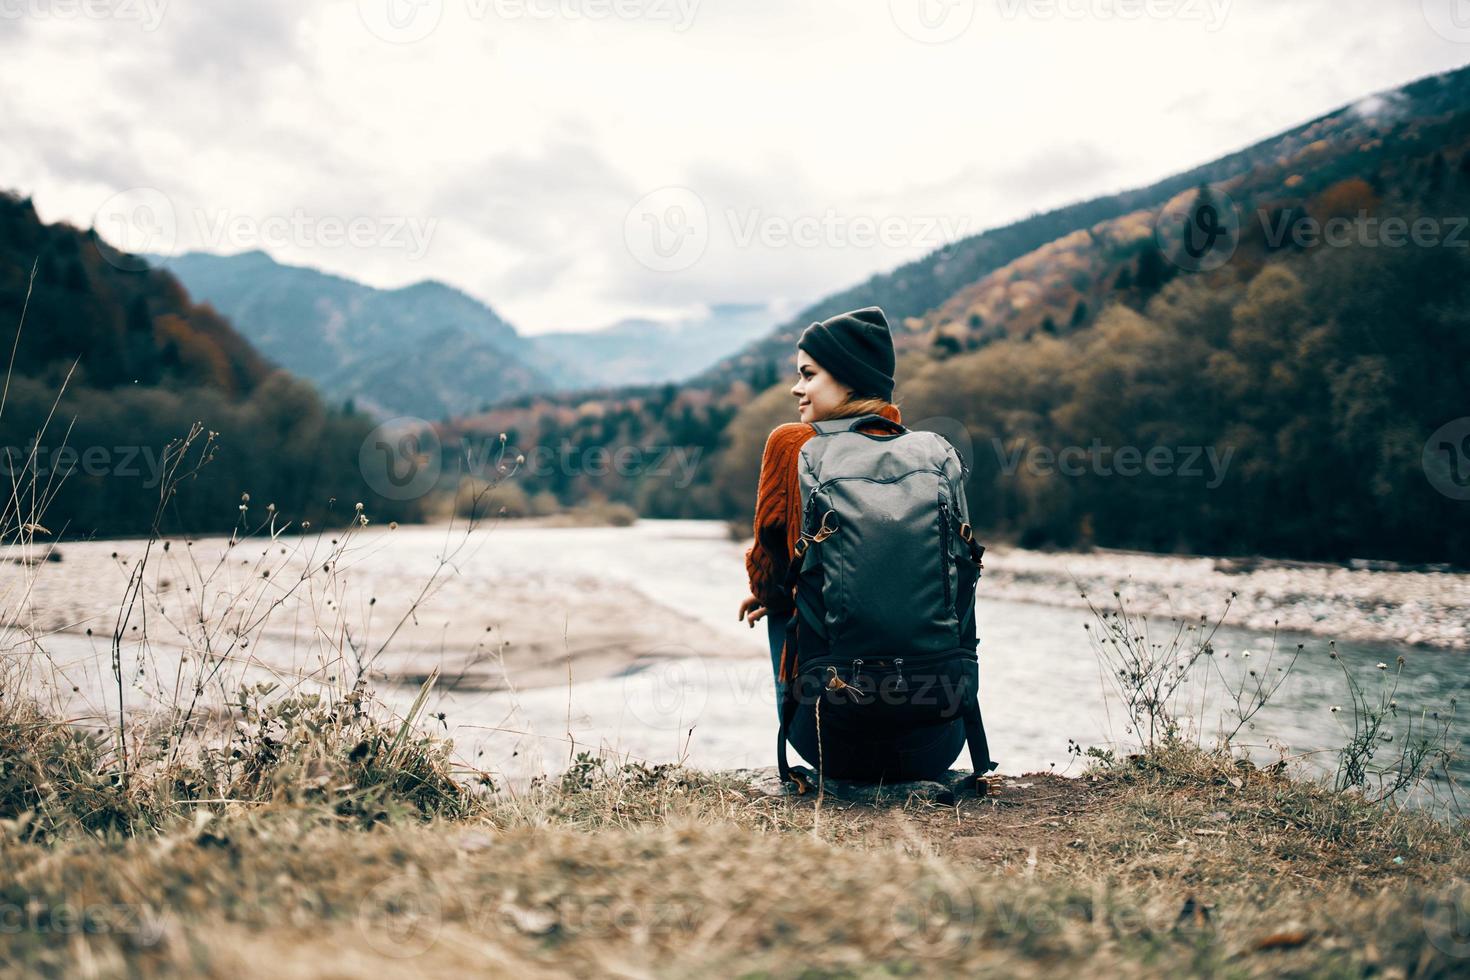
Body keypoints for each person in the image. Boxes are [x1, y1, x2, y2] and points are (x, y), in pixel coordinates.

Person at [737, 306, 985, 785]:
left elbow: (770, 567)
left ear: (848, 380)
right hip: (938, 738)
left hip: (830, 739)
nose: (796, 388)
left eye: (808, 374)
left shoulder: (793, 444)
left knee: (782, 604)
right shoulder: (928, 454)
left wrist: (770, 595)